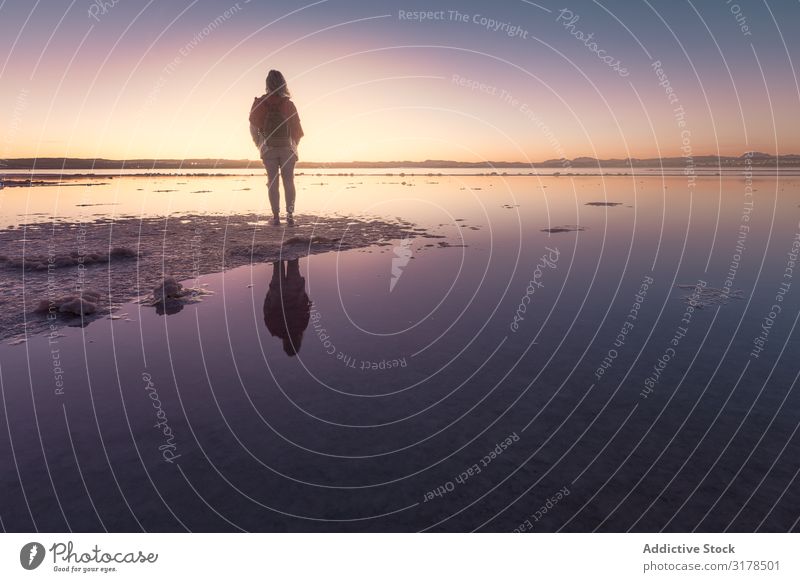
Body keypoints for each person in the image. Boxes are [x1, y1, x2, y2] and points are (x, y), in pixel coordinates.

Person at [249, 70, 304, 226]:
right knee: (289, 181)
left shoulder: (259, 103)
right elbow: (297, 131)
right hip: (288, 148)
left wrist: (259, 144)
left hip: (268, 148)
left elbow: (253, 128)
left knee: (272, 182)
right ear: (283, 84)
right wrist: (293, 146)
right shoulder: (288, 104)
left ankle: (275, 217)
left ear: (267, 84)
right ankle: (290, 216)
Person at [263, 259, 311, 356]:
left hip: (295, 290)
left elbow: (306, 307)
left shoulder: (301, 326)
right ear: (284, 344)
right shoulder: (274, 329)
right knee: (277, 263)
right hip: (278, 294)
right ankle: (276, 245)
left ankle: (290, 244)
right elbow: (266, 311)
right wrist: (270, 295)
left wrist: (302, 293)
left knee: (293, 260)